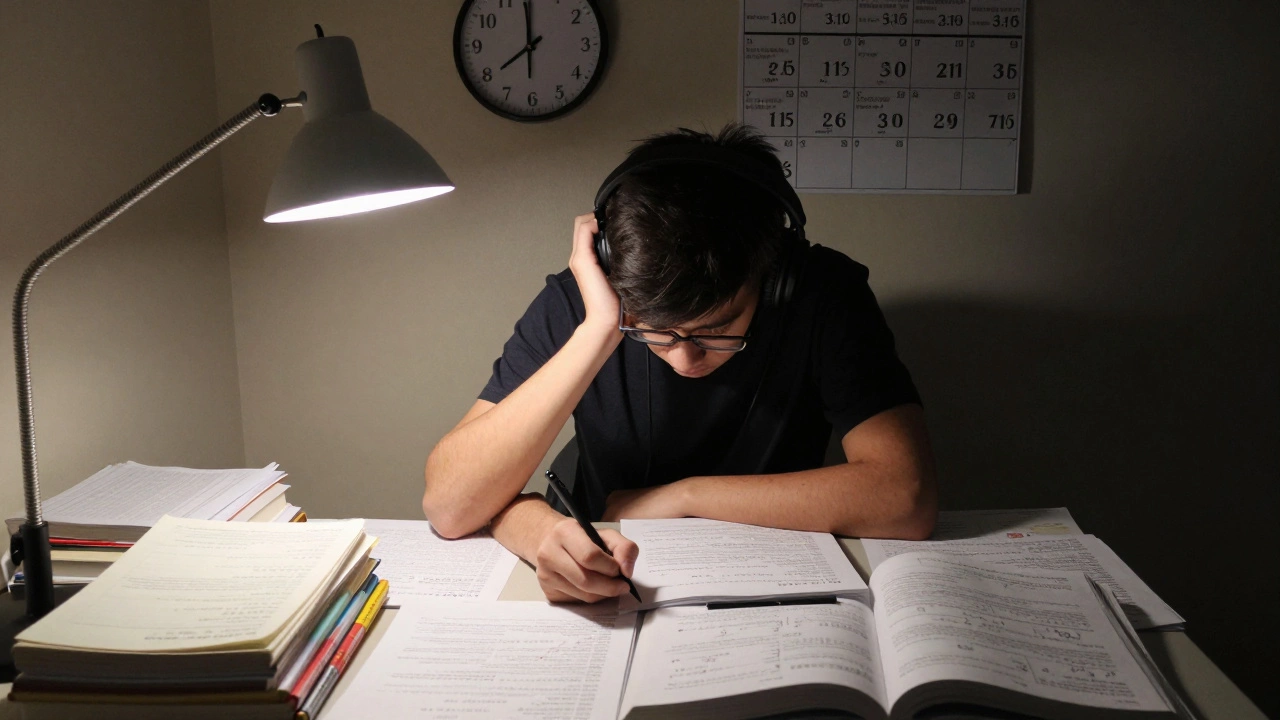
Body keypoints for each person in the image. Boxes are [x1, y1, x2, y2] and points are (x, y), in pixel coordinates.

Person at [424, 124, 936, 603]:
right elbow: (449, 505)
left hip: (775, 583)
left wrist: (685, 498)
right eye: (653, 332)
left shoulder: (821, 292)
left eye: (716, 330)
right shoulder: (584, 301)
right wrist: (601, 328)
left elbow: (904, 496)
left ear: (772, 277)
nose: (684, 358)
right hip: (614, 585)